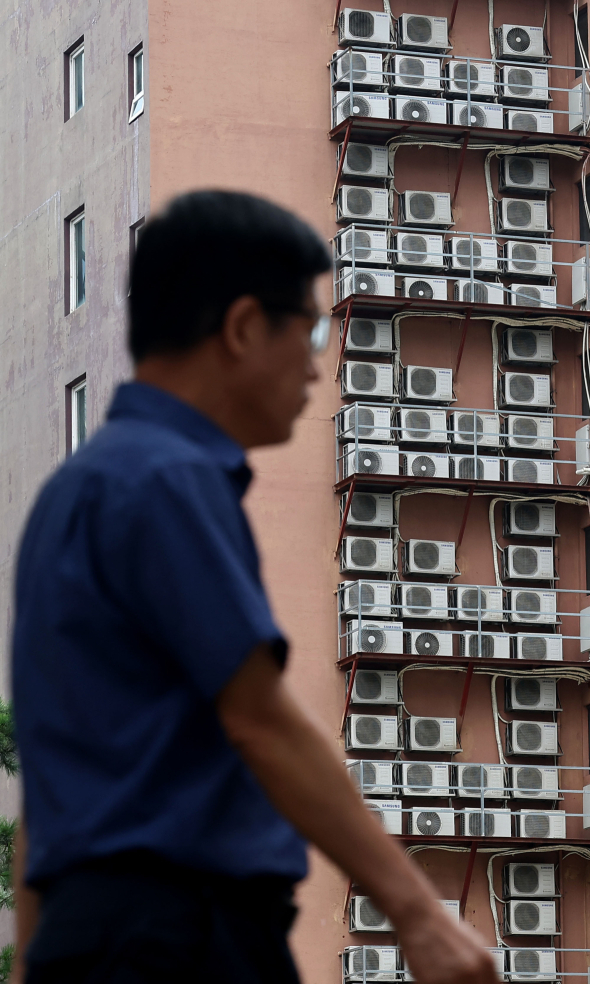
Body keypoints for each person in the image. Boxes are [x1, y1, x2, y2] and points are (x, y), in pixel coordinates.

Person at [11, 190, 498, 984]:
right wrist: (418, 913)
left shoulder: (69, 496)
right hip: (182, 938)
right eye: (307, 330)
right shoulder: (168, 481)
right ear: (241, 328)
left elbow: (47, 782)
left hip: (84, 939)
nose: (315, 365)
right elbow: (259, 719)